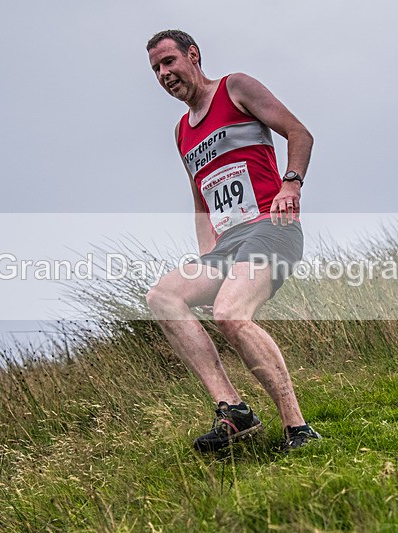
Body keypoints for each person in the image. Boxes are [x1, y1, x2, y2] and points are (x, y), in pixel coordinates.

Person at [145, 29, 320, 452]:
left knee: (229, 313)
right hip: (227, 245)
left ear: (193, 55)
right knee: (162, 297)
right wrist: (208, 257)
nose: (164, 73)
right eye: (155, 69)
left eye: (169, 62)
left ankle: (297, 429)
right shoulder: (181, 132)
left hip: (270, 227)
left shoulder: (235, 88)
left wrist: (291, 185)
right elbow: (201, 201)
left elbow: (300, 133)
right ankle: (234, 410)